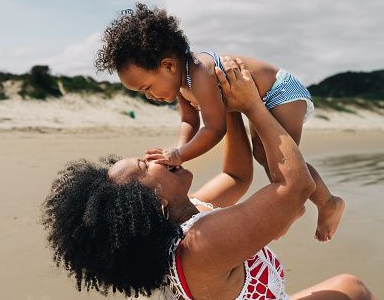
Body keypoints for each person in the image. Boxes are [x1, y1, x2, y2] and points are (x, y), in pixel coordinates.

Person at [41, 57, 376, 299]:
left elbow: (236, 175)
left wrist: (221, 104)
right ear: (156, 201)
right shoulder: (200, 244)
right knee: (354, 289)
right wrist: (253, 106)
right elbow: (297, 187)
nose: (155, 155)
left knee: (348, 286)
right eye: (146, 165)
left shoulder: (182, 219)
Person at [94, 3, 344, 242]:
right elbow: (188, 121)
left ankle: (328, 203)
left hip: (281, 91)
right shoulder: (182, 83)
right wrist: (177, 155)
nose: (148, 95)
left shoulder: (200, 74)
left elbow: (215, 128)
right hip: (261, 98)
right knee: (262, 155)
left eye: (147, 87)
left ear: (168, 66)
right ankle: (294, 205)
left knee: (281, 161)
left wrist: (178, 155)